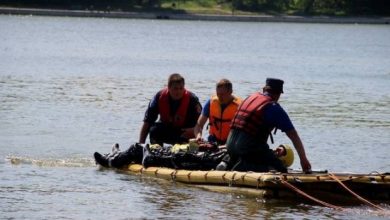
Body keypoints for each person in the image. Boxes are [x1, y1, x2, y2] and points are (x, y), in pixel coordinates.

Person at [223, 78, 312, 173]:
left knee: (254, 153)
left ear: (264, 90)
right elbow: (293, 135)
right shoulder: (274, 108)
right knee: (280, 169)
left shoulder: (250, 98)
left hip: (229, 146)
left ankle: (229, 163)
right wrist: (303, 160)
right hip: (247, 149)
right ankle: (243, 166)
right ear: (278, 94)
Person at [138, 73, 202, 146]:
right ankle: (157, 152)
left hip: (186, 133)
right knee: (154, 130)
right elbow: (147, 122)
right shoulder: (159, 97)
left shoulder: (192, 100)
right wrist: (140, 145)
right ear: (169, 87)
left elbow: (200, 124)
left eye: (181, 88)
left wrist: (194, 131)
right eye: (175, 88)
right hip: (168, 131)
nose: (178, 92)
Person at [193, 79, 241, 145]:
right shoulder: (211, 102)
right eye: (218, 94)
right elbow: (199, 125)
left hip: (230, 143)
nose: (220, 97)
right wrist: (198, 136)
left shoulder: (240, 106)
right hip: (212, 140)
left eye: (222, 94)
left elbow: (243, 132)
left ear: (231, 92)